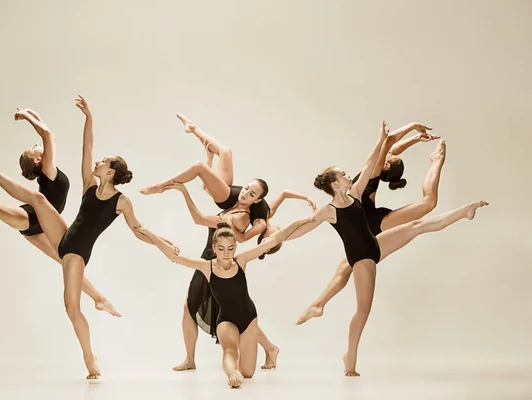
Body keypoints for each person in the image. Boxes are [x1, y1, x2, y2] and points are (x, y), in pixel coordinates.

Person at [0, 95, 174, 379]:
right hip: (63, 237)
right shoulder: (89, 184)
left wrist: (163, 244)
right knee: (39, 201)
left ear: (111, 171)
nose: (97, 161)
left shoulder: (121, 201)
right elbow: (86, 147)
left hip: (76, 253)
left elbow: (139, 230)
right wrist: (88, 117)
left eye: (103, 162)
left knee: (71, 308)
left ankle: (90, 359)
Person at [281, 121, 488, 376]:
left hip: (372, 235)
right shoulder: (340, 200)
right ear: (336, 183)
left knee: (414, 225)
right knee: (361, 300)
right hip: (365, 242)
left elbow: (379, 153)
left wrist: (395, 136)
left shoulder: (362, 184)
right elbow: (303, 227)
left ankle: (463, 211)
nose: (348, 174)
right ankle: (346, 352)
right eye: (342, 174)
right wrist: (276, 240)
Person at [141, 114, 279, 371]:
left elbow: (205, 222)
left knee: (202, 308)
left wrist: (178, 189)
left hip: (215, 257)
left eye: (252, 194)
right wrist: (210, 158)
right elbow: (207, 189)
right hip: (216, 247)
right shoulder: (236, 200)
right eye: (247, 188)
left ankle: (160, 185)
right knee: (224, 152)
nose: (247, 193)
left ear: (257, 201)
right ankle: (194, 129)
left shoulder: (240, 218)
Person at [0, 109, 119, 316]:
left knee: (67, 261)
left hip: (39, 227)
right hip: (31, 218)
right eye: (32, 148)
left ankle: (99, 299)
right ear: (38, 161)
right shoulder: (48, 170)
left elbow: (50, 135)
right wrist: (26, 117)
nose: (34, 145)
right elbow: (47, 135)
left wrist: (31, 113)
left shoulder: (49, 168)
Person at [297, 122, 446, 325]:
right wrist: (415, 139)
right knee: (346, 265)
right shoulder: (374, 172)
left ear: (386, 165)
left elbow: (390, 142)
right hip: (371, 219)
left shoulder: (373, 170)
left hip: (371, 221)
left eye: (391, 158)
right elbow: (393, 148)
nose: (391, 153)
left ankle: (437, 160)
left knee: (428, 203)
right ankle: (318, 304)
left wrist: (413, 127)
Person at [137, 218, 312, 388]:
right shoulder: (207, 267)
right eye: (221, 249)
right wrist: (150, 234)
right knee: (229, 350)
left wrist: (308, 220)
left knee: (248, 372)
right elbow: (175, 256)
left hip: (249, 319)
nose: (226, 253)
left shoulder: (241, 259)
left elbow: (275, 239)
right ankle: (231, 374)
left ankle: (267, 352)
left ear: (235, 247)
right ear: (213, 248)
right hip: (225, 320)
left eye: (230, 248)